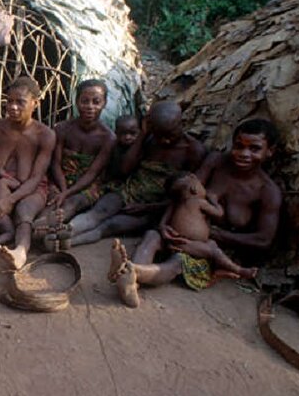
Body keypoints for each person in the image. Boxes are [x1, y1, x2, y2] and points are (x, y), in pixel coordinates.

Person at [109, 118, 282, 307]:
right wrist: (164, 224)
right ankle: (130, 283)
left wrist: (211, 236)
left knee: (178, 261)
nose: (243, 154)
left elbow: (263, 240)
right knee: (151, 237)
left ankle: (134, 272)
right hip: (179, 231)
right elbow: (183, 193)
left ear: (270, 152)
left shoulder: (267, 192)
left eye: (254, 149)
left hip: (212, 248)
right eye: (239, 146)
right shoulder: (216, 161)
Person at [65, 100, 206, 247]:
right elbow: (126, 169)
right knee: (97, 213)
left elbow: (187, 197)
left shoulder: (193, 151)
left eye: (170, 134)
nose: (165, 140)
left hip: (154, 208)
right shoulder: (150, 139)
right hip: (128, 191)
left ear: (182, 123)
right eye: (160, 135)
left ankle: (67, 242)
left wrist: (148, 207)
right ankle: (62, 232)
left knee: (109, 226)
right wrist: (143, 136)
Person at [0, 76, 56, 269]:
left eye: (20, 102)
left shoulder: (45, 135)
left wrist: (10, 201)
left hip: (31, 188)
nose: (13, 107)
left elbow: (35, 178)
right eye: (9, 101)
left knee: (24, 212)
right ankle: (6, 231)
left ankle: (20, 252)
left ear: (35, 103)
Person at [34, 79, 115, 250]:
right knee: (52, 199)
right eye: (84, 101)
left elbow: (93, 173)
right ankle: (39, 226)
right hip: (60, 178)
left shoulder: (108, 138)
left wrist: (69, 193)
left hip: (88, 184)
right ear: (76, 101)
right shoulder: (62, 129)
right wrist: (63, 189)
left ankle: (53, 231)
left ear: (104, 103)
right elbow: (55, 163)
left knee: (74, 202)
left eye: (96, 102)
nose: (90, 106)